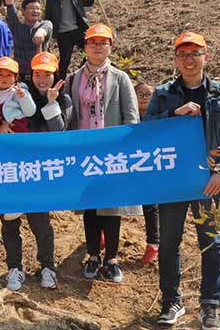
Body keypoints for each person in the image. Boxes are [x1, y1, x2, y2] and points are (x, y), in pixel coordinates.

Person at [147, 32, 220, 330]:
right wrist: (174, 114)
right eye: (183, 55)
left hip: (208, 180)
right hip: (172, 179)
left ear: (206, 57)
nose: (189, 60)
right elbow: (146, 131)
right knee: (169, 242)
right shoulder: (163, 93)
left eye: (195, 54)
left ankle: (209, 306)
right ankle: (171, 302)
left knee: (210, 242)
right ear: (176, 60)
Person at [62, 23, 140, 284]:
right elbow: (68, 116)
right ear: (85, 47)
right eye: (92, 43)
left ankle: (112, 258)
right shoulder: (74, 79)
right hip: (84, 153)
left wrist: (127, 148)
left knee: (111, 207)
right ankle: (94, 255)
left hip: (112, 153)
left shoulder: (120, 78)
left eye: (103, 43)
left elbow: (131, 116)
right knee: (90, 206)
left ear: (110, 47)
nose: (97, 47)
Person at [2, 51, 67, 292]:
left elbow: (59, 131)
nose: (42, 79)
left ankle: (47, 267)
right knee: (9, 219)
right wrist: (1, 124)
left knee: (40, 220)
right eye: (38, 74)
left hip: (41, 170)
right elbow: (2, 113)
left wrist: (51, 103)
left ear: (55, 75)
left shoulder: (63, 98)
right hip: (12, 166)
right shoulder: (19, 94)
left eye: (47, 75)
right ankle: (14, 268)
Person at [2, 0, 53, 83]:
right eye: (31, 8)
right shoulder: (17, 27)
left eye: (38, 9)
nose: (35, 11)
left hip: (41, 80)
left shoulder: (45, 24)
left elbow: (46, 28)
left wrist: (40, 33)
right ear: (23, 11)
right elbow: (10, 5)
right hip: (21, 79)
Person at [44, 0, 96, 80]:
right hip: (63, 34)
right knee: (65, 60)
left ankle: (80, 72)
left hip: (77, 31)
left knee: (90, 50)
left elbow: (88, 2)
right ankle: (60, 81)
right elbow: (48, 18)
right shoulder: (52, 0)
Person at [134, 82, 161, 266]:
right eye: (140, 94)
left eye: (148, 94)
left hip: (151, 168)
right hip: (125, 166)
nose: (144, 98)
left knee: (150, 205)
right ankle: (103, 235)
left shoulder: (160, 116)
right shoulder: (125, 115)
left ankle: (153, 243)